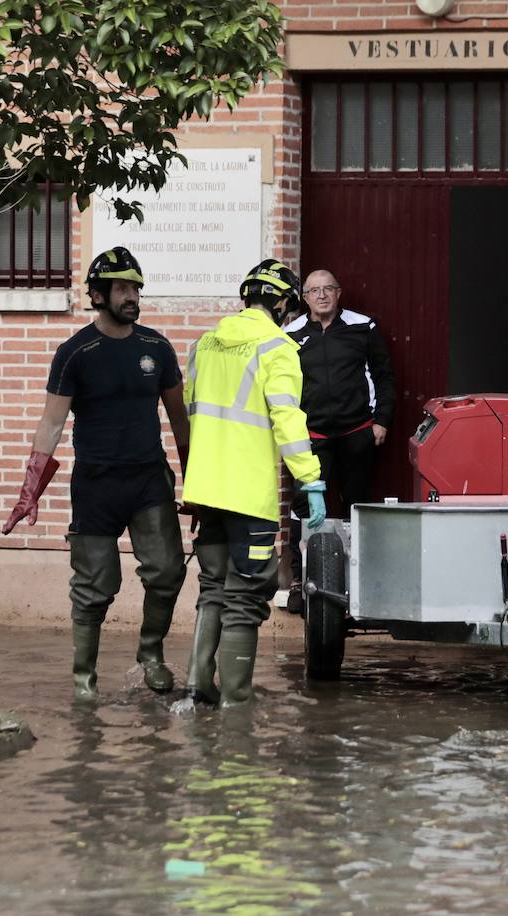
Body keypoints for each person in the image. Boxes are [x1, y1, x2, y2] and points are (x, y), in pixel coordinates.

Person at [0, 247, 188, 701]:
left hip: (149, 480)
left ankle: (150, 654)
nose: (132, 296)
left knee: (166, 570)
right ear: (99, 294)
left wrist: (195, 482)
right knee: (95, 586)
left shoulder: (156, 347)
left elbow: (180, 419)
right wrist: (30, 490)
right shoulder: (74, 353)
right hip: (96, 485)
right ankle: (84, 679)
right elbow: (51, 423)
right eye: (123, 288)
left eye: (136, 288)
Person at [181, 259, 326, 707]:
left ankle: (198, 688)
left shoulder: (205, 344)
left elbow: (191, 409)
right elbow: (287, 417)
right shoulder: (277, 347)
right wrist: (311, 479)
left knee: (213, 588)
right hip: (247, 495)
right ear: (283, 303)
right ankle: (237, 702)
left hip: (206, 492)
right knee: (245, 596)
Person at [281, 269, 395, 613]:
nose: (321, 296)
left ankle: (357, 581)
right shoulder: (291, 334)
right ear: (305, 298)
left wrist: (382, 421)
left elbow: (383, 375)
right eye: (313, 291)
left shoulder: (364, 327)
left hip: (356, 431)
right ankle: (301, 581)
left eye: (327, 289)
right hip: (311, 436)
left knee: (356, 504)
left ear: (338, 292)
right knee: (304, 506)